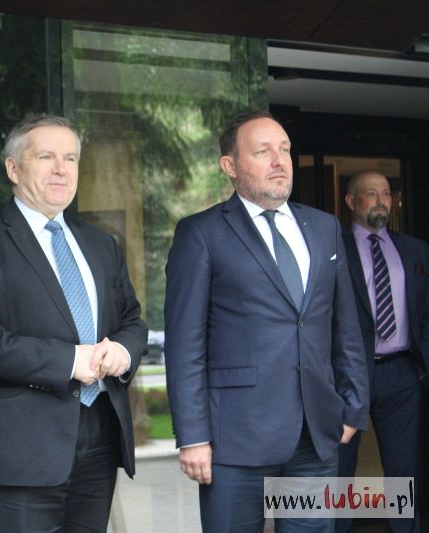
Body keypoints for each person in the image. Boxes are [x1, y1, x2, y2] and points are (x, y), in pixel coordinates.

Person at [164, 110, 369, 532]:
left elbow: (346, 327)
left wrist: (353, 406)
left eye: (285, 150)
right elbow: (185, 345)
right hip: (235, 440)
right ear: (230, 165)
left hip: (315, 436)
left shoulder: (324, 228)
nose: (279, 161)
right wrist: (193, 436)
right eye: (263, 152)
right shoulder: (201, 233)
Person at [0, 114, 148, 533]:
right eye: (46, 157)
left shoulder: (100, 244)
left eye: (70, 158)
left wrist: (122, 351)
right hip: (20, 448)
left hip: (100, 434)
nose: (61, 169)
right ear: (13, 168)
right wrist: (68, 361)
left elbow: (131, 319)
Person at [336, 170, 429, 533]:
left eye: (386, 193)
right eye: (371, 193)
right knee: (340, 471)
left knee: (403, 472)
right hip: (348, 376)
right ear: (351, 201)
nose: (380, 201)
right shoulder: (333, 249)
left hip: (401, 374)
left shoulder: (415, 250)